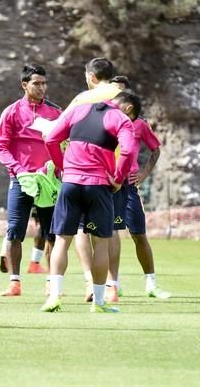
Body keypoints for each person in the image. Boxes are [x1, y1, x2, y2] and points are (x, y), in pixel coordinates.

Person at [41, 89, 139, 313]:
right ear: (127, 108)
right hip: (99, 186)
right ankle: (99, 302)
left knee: (62, 241)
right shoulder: (121, 119)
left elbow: (51, 139)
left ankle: (54, 297)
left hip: (71, 184)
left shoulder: (77, 110)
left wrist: (63, 167)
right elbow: (128, 149)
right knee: (101, 244)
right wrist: (118, 178)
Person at [0, 64, 62, 297]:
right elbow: (1, 146)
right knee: (14, 231)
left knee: (51, 233)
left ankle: (52, 283)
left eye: (44, 83)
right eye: (36, 83)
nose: (42, 87)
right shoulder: (11, 112)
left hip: (49, 181)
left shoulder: (56, 113)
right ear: (25, 85)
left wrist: (57, 167)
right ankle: (15, 283)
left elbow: (65, 143)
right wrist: (18, 170)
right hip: (21, 180)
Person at [107, 77, 168, 302]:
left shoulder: (139, 124)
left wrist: (143, 173)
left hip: (129, 186)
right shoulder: (104, 120)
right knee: (108, 233)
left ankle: (151, 283)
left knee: (138, 234)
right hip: (107, 184)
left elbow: (156, 150)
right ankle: (113, 284)